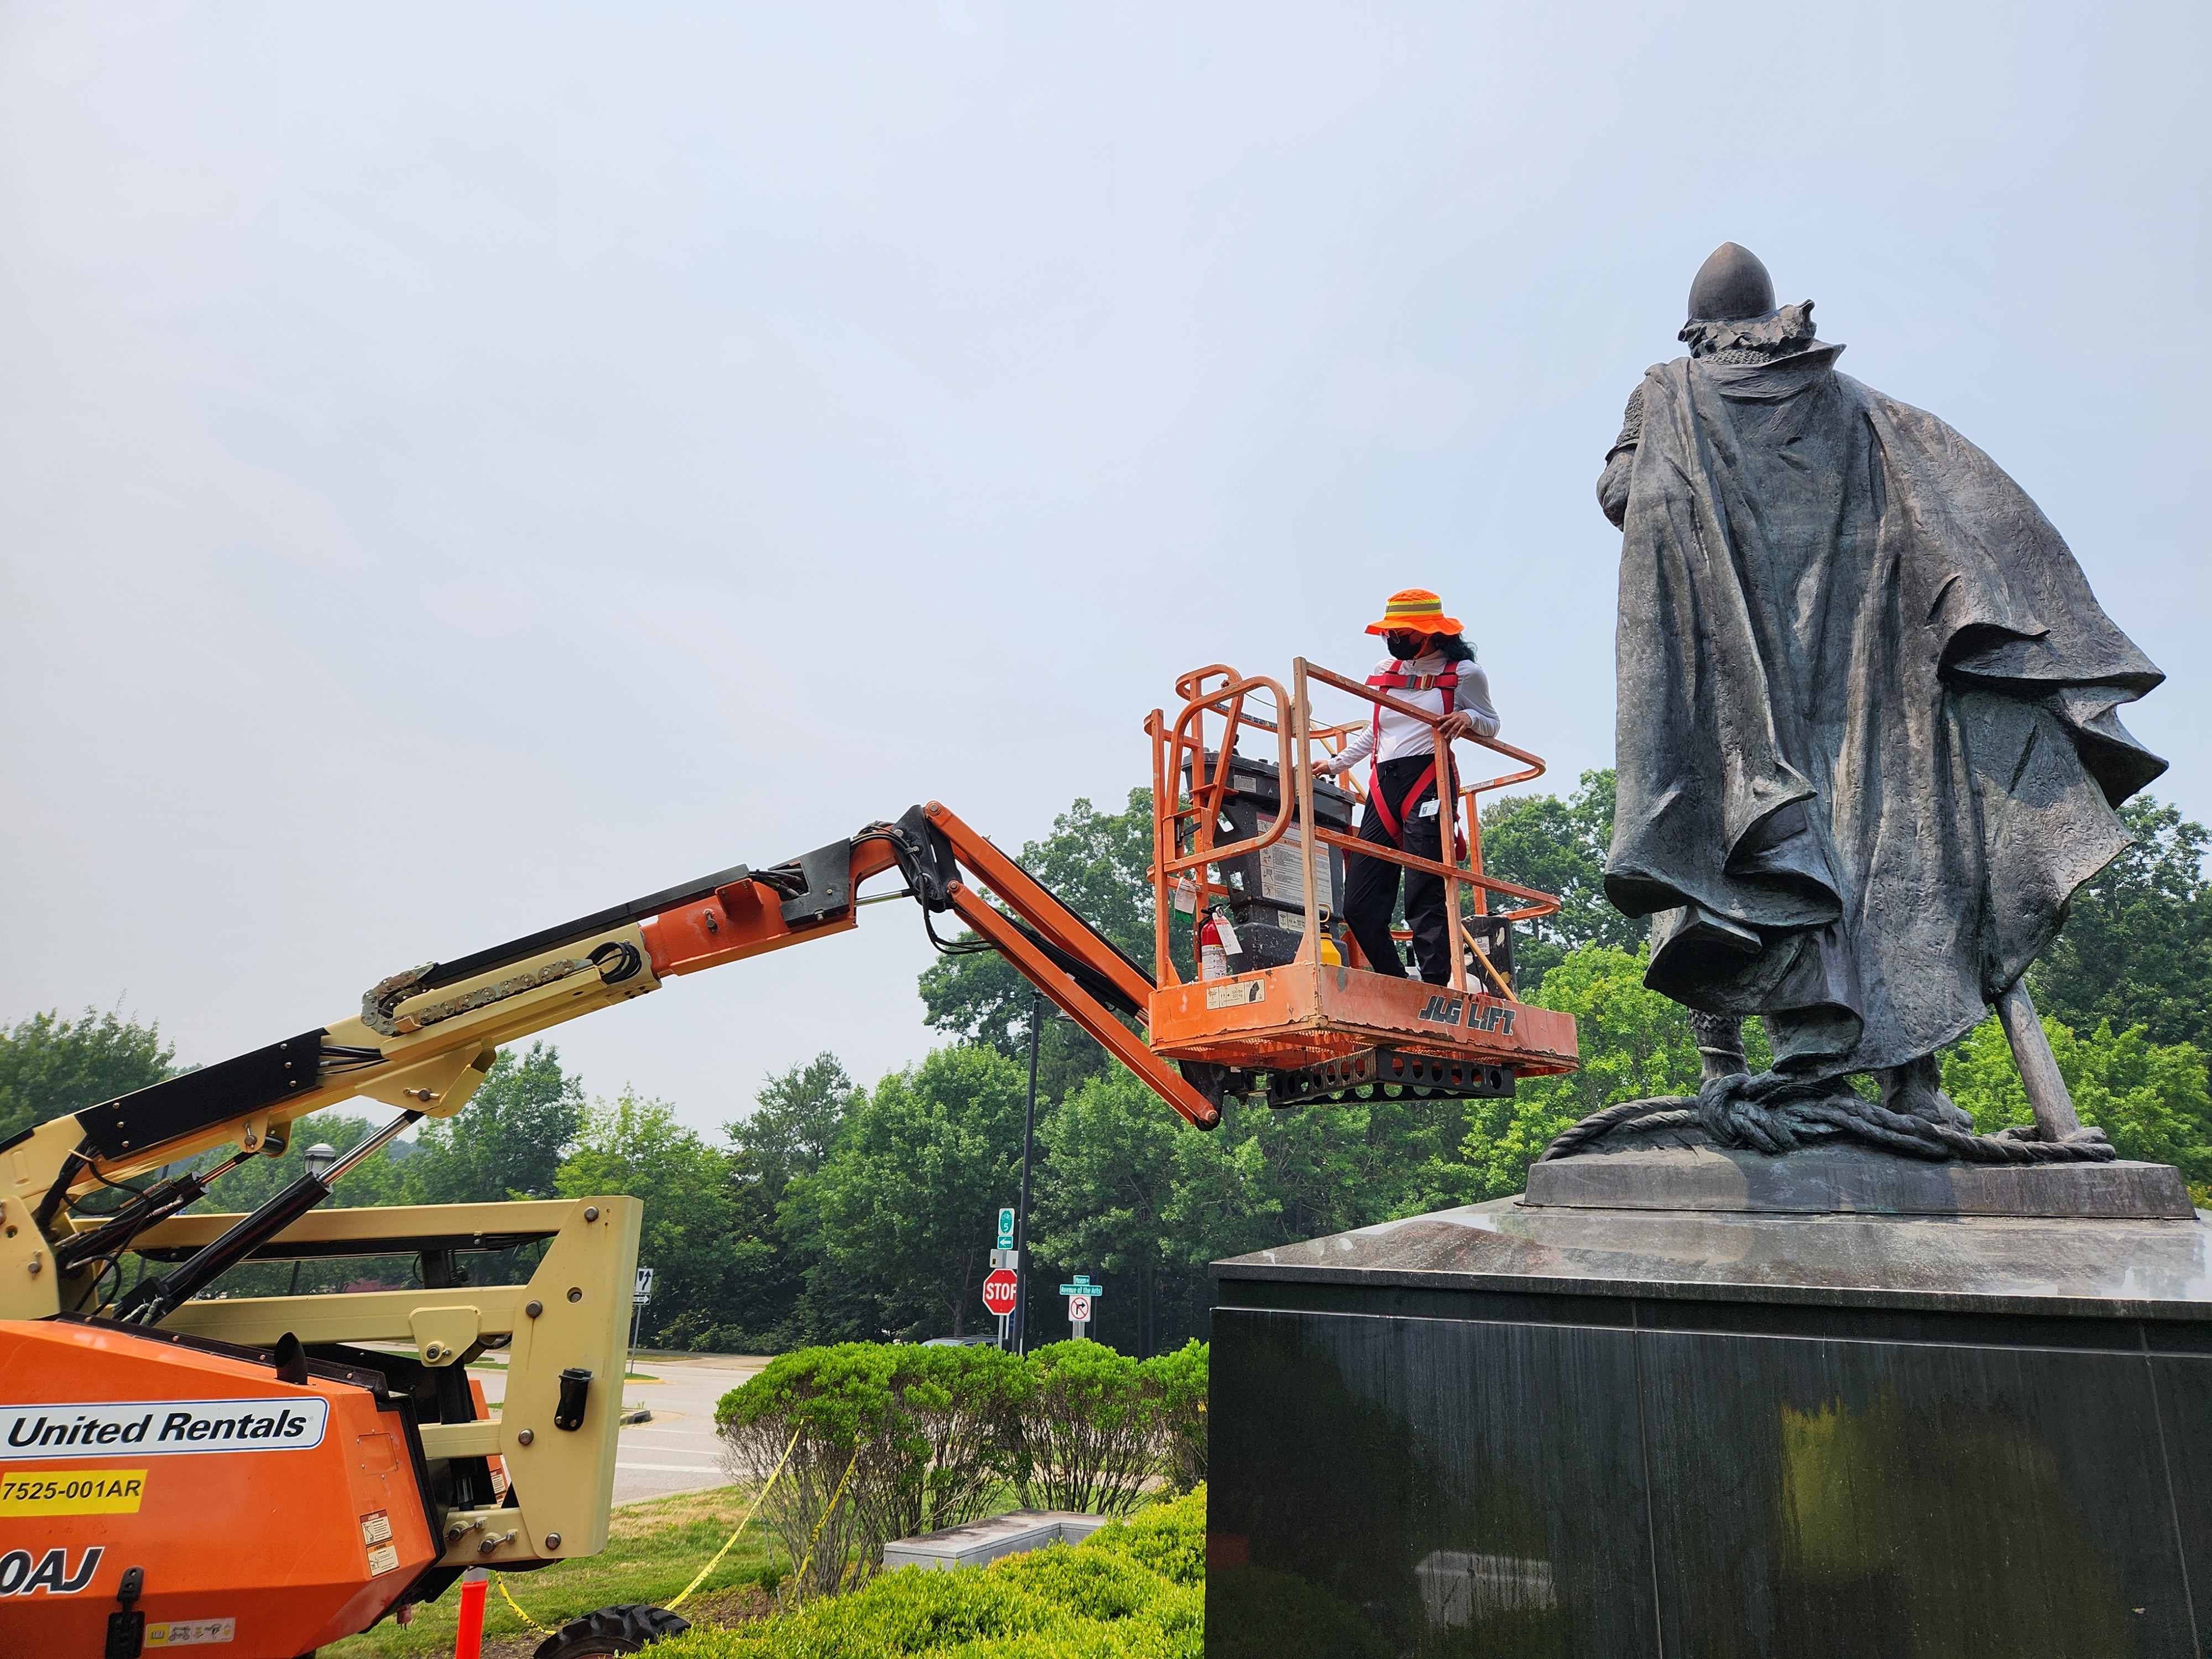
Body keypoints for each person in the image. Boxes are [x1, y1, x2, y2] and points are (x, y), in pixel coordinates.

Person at [1316, 588, 1499, 981]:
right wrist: (1335, 763)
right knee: (1360, 904)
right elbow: (1377, 729)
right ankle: (1396, 982)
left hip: (1428, 780)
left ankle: (1434, 986)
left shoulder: (1464, 674)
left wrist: (1467, 718)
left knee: (1424, 892)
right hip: (1384, 785)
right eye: (1390, 633)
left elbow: (1491, 722)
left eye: (1404, 633)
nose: (1395, 641)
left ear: (1431, 634)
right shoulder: (1389, 670)